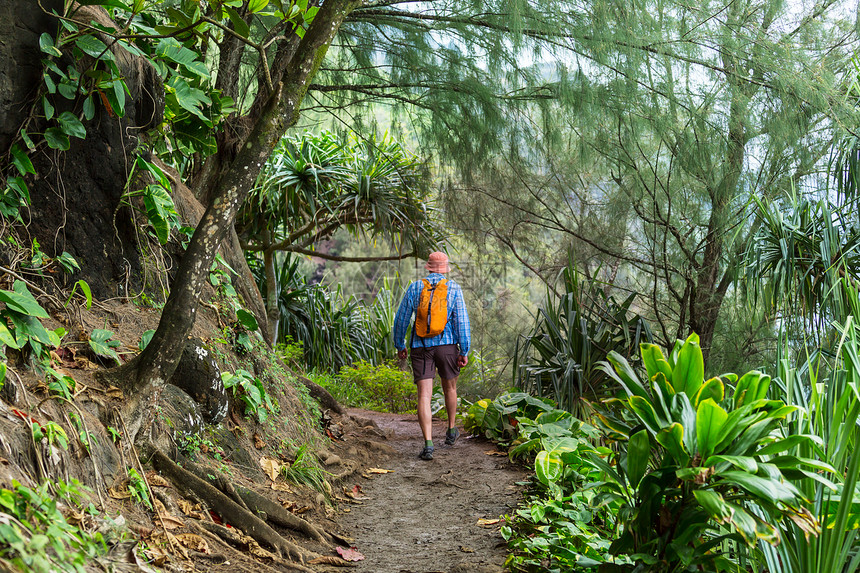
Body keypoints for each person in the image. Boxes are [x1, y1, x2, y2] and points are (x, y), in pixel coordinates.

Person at [393, 252, 470, 460]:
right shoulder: (454, 288)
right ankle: (451, 429)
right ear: (444, 269)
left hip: (420, 345)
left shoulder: (415, 287)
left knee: (424, 396)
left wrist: (399, 344)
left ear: (428, 268)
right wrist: (464, 350)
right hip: (447, 346)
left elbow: (401, 319)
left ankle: (428, 444)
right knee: (450, 387)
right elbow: (461, 323)